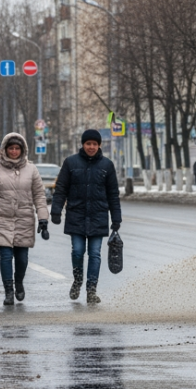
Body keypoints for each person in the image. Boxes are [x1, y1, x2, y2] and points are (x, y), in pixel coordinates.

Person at [0, 133, 49, 306]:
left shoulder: (31, 169)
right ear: (5, 149)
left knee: (22, 258)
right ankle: (8, 291)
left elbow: (39, 195)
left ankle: (19, 282)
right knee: (5, 256)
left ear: (22, 150)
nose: (14, 151)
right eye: (11, 148)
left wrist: (43, 218)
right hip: (1, 218)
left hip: (24, 219)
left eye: (17, 148)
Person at [51, 129, 121, 304]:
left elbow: (113, 194)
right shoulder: (70, 163)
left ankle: (91, 290)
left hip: (98, 216)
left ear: (99, 145)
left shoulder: (107, 165)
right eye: (88, 143)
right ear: (83, 144)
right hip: (76, 214)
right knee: (77, 251)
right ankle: (78, 280)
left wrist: (116, 218)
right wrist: (56, 210)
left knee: (95, 254)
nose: (91, 147)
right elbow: (61, 189)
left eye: (94, 144)